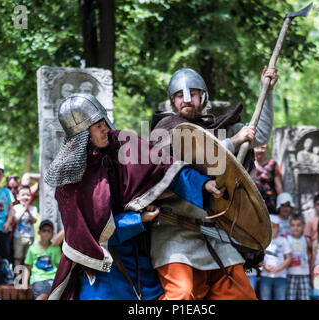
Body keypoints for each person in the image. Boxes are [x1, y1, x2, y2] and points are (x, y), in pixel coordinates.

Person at [45, 93, 224, 300]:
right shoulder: (72, 182)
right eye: (97, 126)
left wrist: (203, 184)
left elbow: (164, 167)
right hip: (100, 267)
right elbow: (91, 234)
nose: (104, 128)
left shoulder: (123, 145)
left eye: (103, 121)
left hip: (135, 258)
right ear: (82, 134)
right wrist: (138, 219)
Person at [149, 66, 278, 300]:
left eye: (192, 93)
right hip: (175, 232)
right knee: (182, 294)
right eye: (179, 95)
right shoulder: (165, 129)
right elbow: (192, 158)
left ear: (204, 97)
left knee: (242, 296)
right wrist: (233, 142)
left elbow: (258, 135)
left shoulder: (219, 128)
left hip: (215, 234)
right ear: (172, 101)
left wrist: (266, 91)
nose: (186, 100)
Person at [24, 220, 61, 300]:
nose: (46, 233)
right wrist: (24, 282)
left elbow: (59, 267)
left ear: (52, 234)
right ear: (39, 232)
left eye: (49, 231)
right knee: (43, 296)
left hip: (52, 278)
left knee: (46, 296)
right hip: (37, 279)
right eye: (44, 230)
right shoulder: (32, 248)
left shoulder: (55, 248)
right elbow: (28, 267)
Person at [259, 214, 291, 300]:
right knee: (265, 297)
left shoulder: (283, 240)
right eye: (269, 227)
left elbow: (289, 258)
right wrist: (264, 266)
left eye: (273, 227)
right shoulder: (263, 241)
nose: (271, 229)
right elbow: (257, 258)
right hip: (266, 275)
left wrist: (279, 268)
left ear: (278, 228)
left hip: (281, 275)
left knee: (280, 297)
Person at [286, 215, 311, 300]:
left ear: (303, 226)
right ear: (290, 227)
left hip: (304, 273)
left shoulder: (305, 239)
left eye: (298, 225)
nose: (296, 228)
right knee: (290, 297)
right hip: (290, 273)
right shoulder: (287, 239)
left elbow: (309, 253)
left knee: (305, 296)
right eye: (293, 225)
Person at [253, 143, 283, 214]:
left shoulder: (273, 165)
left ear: (267, 149)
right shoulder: (249, 164)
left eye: (263, 148)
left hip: (270, 203)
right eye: (257, 148)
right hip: (253, 203)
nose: (259, 150)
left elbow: (278, 186)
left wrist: (282, 203)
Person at [13, 185, 38, 267]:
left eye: (28, 195)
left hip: (30, 236)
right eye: (23, 195)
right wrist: (24, 209)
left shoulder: (33, 208)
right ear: (18, 197)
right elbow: (16, 220)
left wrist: (29, 211)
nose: (25, 197)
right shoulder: (16, 208)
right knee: (18, 258)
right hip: (18, 237)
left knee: (28, 258)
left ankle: (26, 278)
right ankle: (17, 278)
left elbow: (34, 220)